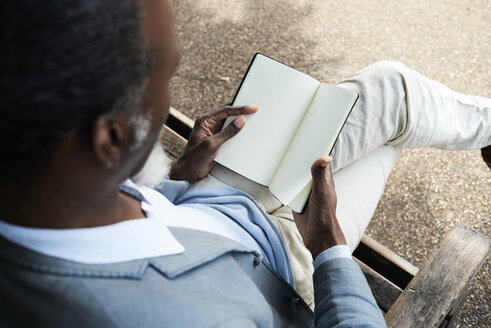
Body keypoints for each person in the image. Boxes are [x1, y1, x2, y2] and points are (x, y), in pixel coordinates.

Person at [0, 0, 489, 327]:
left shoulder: (40, 190)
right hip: (294, 261)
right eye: (166, 78)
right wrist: (328, 249)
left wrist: (181, 176)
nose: (170, 94)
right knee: (392, 102)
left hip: (210, 191)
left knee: (389, 88)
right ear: (111, 137)